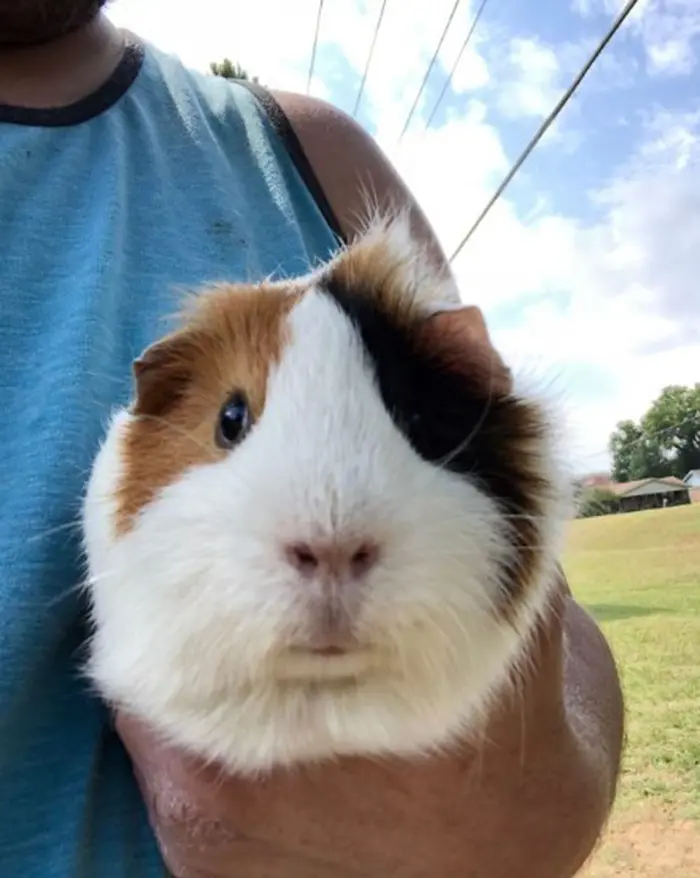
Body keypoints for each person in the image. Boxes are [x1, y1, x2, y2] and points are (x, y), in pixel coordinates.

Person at [0, 4, 624, 876]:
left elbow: (553, 611)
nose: (327, 536)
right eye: (232, 423)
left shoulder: (314, 154)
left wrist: (544, 795)